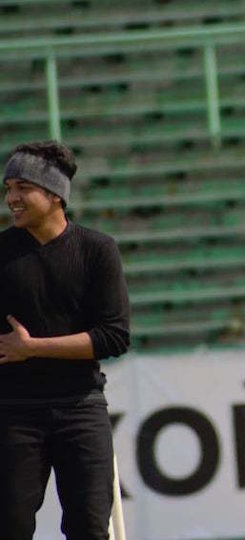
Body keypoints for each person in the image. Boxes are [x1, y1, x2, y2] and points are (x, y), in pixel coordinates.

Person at [0, 141, 131, 539]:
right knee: (11, 525)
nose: (12, 198)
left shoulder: (97, 250)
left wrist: (33, 348)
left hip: (81, 407)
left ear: (55, 194)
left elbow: (114, 336)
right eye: (8, 189)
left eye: (23, 187)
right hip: (12, 412)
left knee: (89, 527)